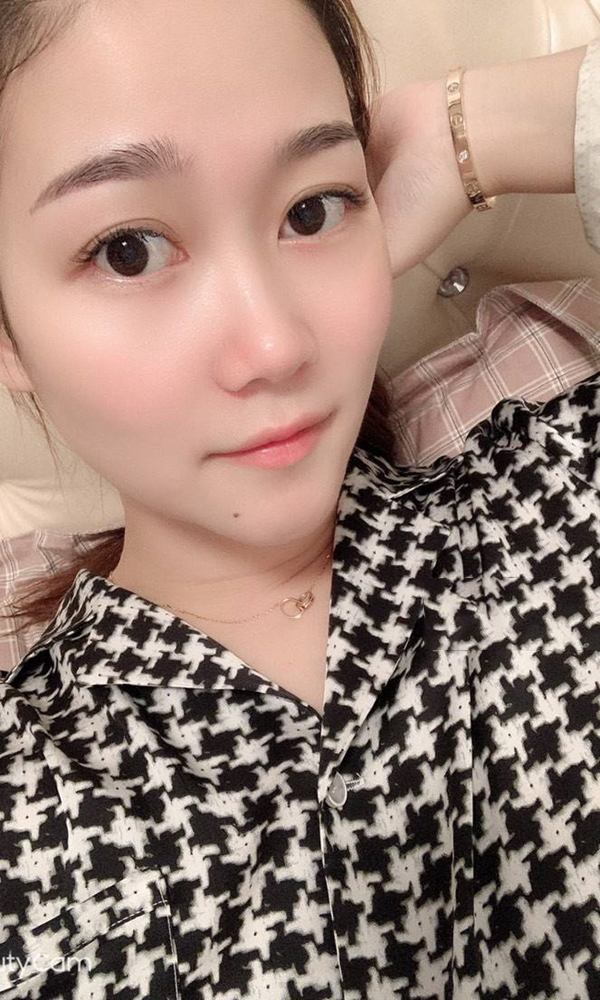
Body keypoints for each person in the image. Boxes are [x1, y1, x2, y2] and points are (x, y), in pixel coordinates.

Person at [0, 1, 598, 997]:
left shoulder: (556, 490)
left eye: (314, 210)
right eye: (128, 250)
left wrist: (474, 133)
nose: (275, 345)